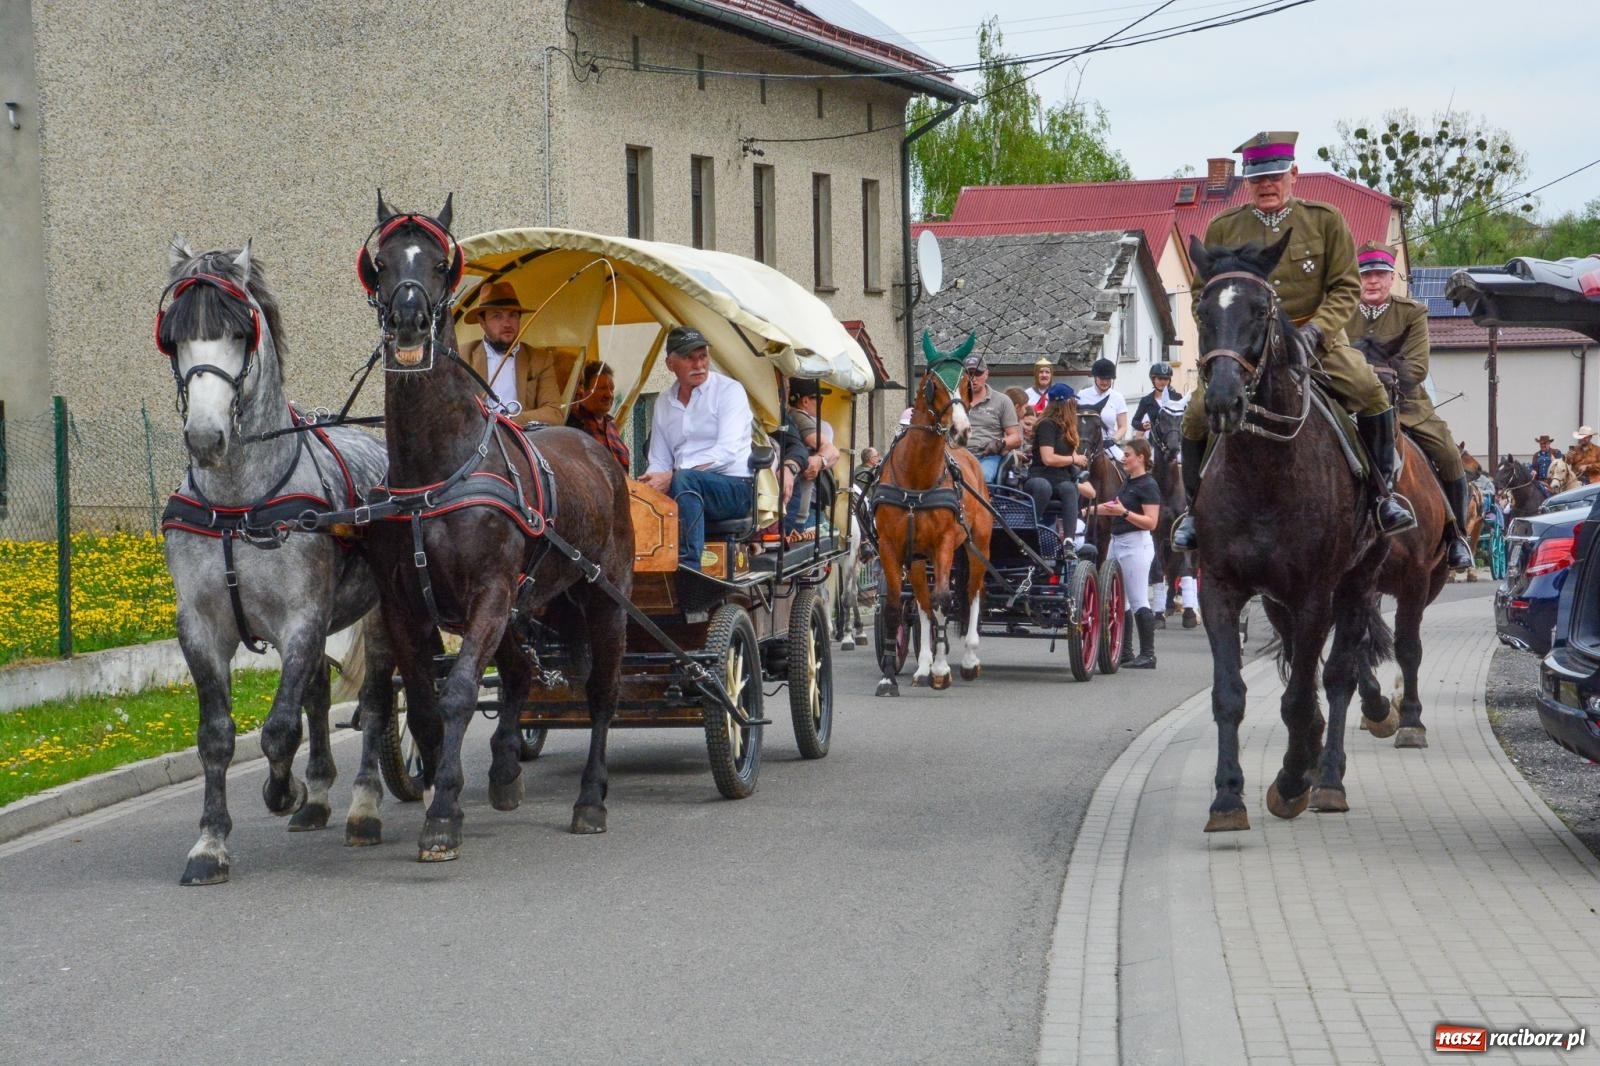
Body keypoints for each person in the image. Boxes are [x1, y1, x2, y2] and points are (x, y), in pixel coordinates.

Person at [1172, 130, 1414, 550]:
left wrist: (1316, 330)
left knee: (1370, 392)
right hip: (1247, 347)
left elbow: (1345, 287)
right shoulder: (1224, 227)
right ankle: (1193, 512)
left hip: (1313, 338)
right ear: (1247, 182)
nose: (1267, 185)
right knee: (1196, 415)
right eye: (1257, 179)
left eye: (1276, 176)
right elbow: (1202, 292)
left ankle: (1382, 498)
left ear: (1294, 174)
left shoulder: (1324, 220)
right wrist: (1222, 335)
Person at [1344, 241, 1475, 570]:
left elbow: (1416, 368)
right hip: (1348, 403)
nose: (1372, 281)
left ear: (1391, 279)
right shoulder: (1341, 313)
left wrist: (1362, 366)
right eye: (1366, 275)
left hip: (1405, 405)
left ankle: (1455, 534)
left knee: (1447, 453)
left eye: (1379, 274)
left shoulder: (1412, 313)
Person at [641, 327, 753, 570]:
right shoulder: (663, 402)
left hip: (733, 487)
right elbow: (659, 459)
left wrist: (673, 475)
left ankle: (688, 565)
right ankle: (641, 565)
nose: (699, 364)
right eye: (689, 358)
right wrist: (651, 483)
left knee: (685, 479)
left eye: (703, 356)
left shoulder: (729, 391)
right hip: (685, 485)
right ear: (670, 364)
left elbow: (726, 451)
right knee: (637, 495)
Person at [463, 281, 564, 426]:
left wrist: (511, 420)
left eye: (512, 315)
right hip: (477, 440)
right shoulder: (462, 357)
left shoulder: (540, 360)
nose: (507, 323)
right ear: (482, 321)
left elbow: (554, 413)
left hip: (521, 439)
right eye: (497, 316)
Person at [1099, 437, 1162, 669]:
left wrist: (1125, 513)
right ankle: (1124, 650)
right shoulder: (1128, 481)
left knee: (1137, 599)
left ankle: (1149, 654)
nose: (1124, 458)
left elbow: (1151, 522)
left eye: (1127, 455)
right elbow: (1113, 506)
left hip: (1136, 544)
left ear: (1141, 458)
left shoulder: (1148, 485)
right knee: (1119, 599)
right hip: (1117, 542)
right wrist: (1088, 510)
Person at [1023, 383, 1094, 535]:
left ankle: (1069, 540)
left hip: (1061, 479)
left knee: (1069, 488)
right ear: (1066, 403)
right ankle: (1028, 531)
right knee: (1043, 487)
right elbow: (1048, 458)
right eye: (1073, 402)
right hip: (1041, 477)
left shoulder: (1069, 430)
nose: (1075, 406)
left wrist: (1076, 465)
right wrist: (1073, 459)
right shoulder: (1046, 425)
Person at [782, 378, 841, 533]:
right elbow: (832, 451)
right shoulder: (798, 416)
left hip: (801, 507)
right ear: (806, 401)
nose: (821, 403)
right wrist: (820, 460)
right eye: (819, 399)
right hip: (801, 510)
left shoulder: (791, 416)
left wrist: (819, 460)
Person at [961, 353, 1021, 482]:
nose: (973, 378)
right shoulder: (954, 401)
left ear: (986, 374)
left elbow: (1016, 438)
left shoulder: (1002, 401)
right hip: (957, 454)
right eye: (969, 373)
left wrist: (1000, 443)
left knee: (982, 478)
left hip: (987, 455)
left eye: (978, 373)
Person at [564, 361, 630, 472]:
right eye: (602, 388)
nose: (609, 394)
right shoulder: (573, 425)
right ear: (583, 391)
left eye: (611, 389)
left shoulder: (612, 427)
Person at [1076, 357, 1130, 460]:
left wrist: (1113, 440)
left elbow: (1123, 427)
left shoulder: (1117, 397)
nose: (1105, 382)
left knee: (1126, 467)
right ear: (1095, 377)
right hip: (1084, 444)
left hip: (1107, 444)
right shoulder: (1082, 395)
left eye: (1108, 379)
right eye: (1102, 379)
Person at [1132, 362, 1187, 435]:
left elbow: (1187, 417)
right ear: (1153, 379)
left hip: (1175, 439)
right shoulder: (1146, 400)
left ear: (1169, 380)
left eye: (1166, 379)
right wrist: (1142, 426)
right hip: (1155, 441)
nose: (1163, 382)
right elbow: (1135, 421)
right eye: (1160, 378)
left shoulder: (1177, 397)